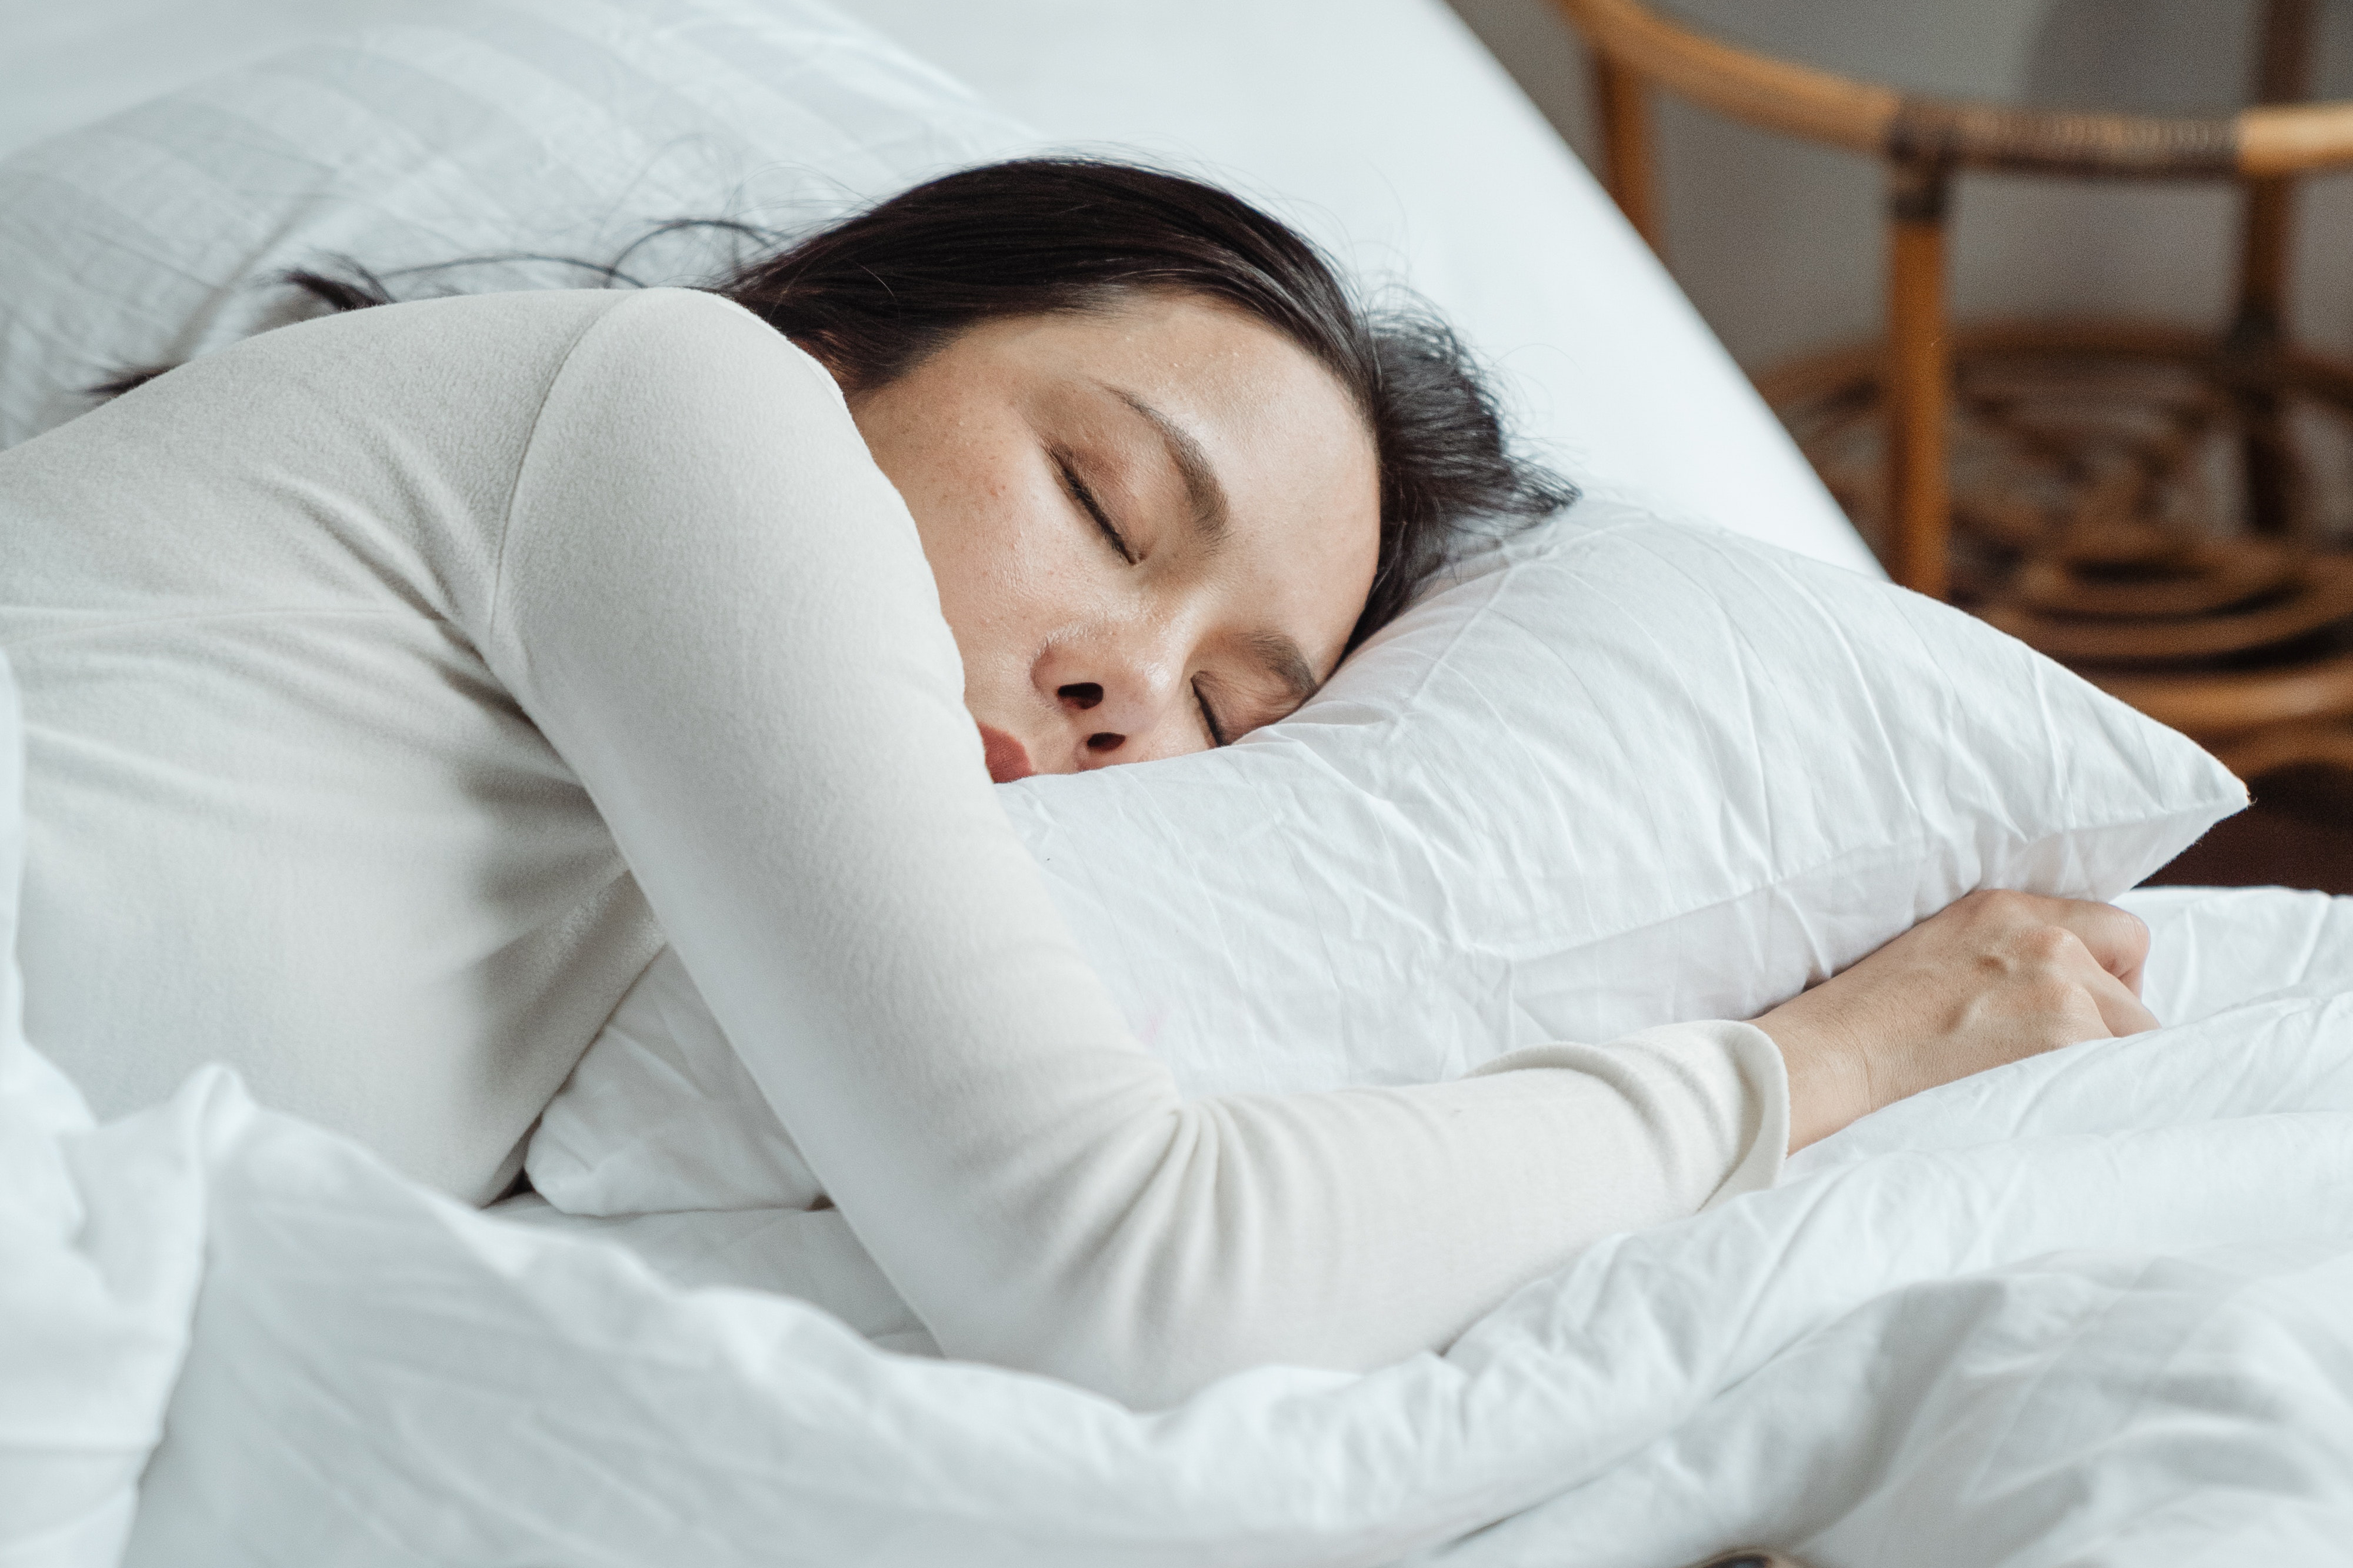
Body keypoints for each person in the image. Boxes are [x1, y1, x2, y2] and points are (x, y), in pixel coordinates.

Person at [0, 159, 2156, 1407]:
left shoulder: (634, 854)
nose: (1122, 689)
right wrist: (1825, 1058)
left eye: (1229, 706)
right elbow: (1129, 1265)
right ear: (841, 335)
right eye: (1105, 505)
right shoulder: (684, 400)